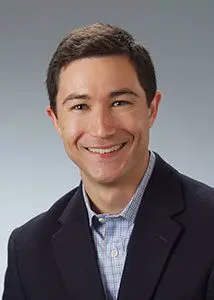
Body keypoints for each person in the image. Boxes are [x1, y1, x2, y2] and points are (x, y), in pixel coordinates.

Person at [2, 23, 214, 300]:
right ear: (56, 120)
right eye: (80, 106)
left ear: (152, 109)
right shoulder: (28, 250)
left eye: (120, 102)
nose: (102, 129)